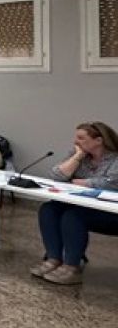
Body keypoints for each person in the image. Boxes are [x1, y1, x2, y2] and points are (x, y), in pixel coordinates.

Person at [31, 121, 118, 285]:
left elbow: (112, 183)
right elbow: (56, 176)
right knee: (49, 209)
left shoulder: (115, 159)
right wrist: (77, 157)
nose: (75, 141)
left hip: (111, 212)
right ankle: (54, 259)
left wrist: (84, 182)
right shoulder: (79, 155)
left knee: (73, 216)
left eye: (81, 138)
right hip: (86, 205)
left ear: (98, 140)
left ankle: (72, 267)